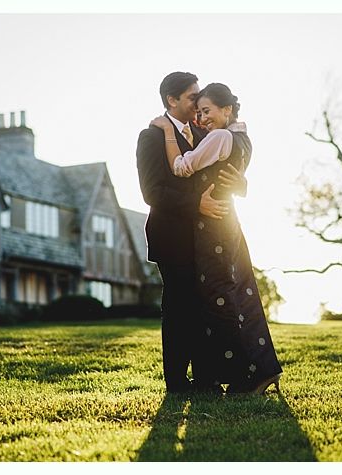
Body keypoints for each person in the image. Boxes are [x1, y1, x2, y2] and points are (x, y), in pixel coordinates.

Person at [149, 82, 283, 395]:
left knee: (220, 299)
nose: (201, 116)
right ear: (172, 100)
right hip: (219, 227)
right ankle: (256, 370)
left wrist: (168, 132)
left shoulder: (218, 136)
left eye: (206, 109)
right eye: (196, 108)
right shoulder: (237, 136)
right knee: (240, 295)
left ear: (227, 109)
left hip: (214, 229)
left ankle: (243, 376)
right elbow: (152, 191)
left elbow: (182, 167)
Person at [135, 72, 245, 394]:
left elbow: (225, 169)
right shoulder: (151, 137)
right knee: (179, 308)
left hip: (207, 237)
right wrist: (197, 204)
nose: (198, 104)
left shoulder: (205, 132)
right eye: (192, 97)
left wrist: (242, 184)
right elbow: (152, 192)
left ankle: (206, 378)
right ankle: (177, 381)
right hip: (172, 237)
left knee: (205, 306)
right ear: (172, 100)